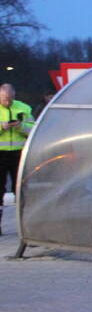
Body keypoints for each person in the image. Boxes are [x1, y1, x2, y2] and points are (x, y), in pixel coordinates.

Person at [0, 83, 35, 234]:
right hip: (0, 153)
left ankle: (25, 227)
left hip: (19, 153)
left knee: (21, 190)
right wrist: (2, 127)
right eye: (4, 99)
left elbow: (34, 128)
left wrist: (20, 126)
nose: (8, 102)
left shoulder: (24, 107)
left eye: (10, 99)